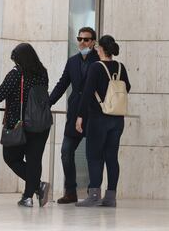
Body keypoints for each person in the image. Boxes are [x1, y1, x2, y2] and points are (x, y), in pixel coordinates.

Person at [0, 43, 50, 208]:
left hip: (20, 124)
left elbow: (2, 92)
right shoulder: (43, 72)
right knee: (34, 160)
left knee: (11, 157)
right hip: (42, 124)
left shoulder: (17, 73)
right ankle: (29, 196)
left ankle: (36, 187)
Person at [75, 35, 131, 207]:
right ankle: (111, 197)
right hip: (117, 119)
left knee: (94, 156)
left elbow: (86, 93)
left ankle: (93, 195)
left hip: (99, 118)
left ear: (101, 49)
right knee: (111, 157)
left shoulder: (96, 67)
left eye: (98, 47)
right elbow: (127, 87)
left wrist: (80, 116)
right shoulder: (120, 67)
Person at [49, 27, 99, 204]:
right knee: (66, 151)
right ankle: (71, 192)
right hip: (75, 112)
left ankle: (93, 192)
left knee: (92, 154)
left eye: (86, 39)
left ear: (93, 42)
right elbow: (62, 84)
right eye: (79, 39)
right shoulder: (72, 62)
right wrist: (48, 103)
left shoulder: (99, 61)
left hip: (93, 113)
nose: (82, 42)